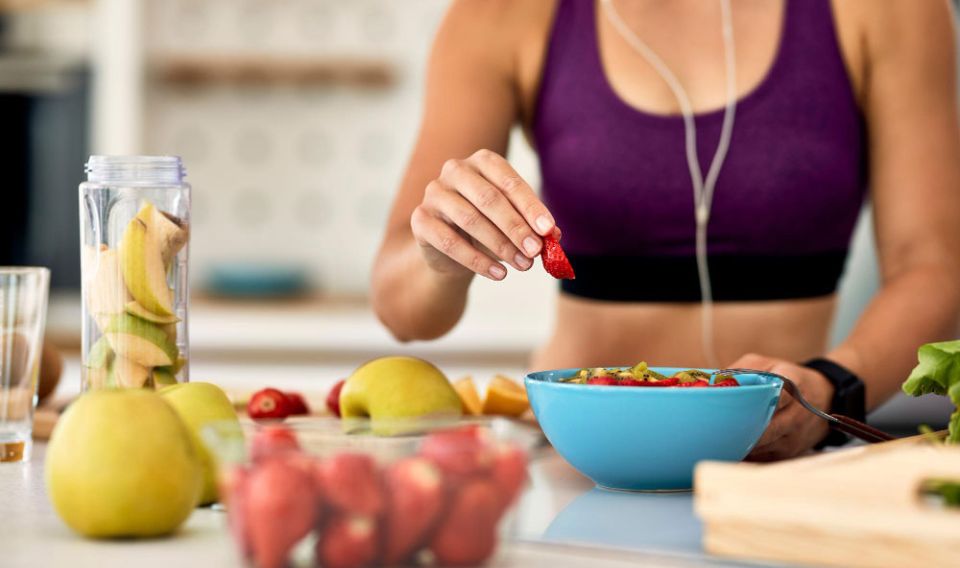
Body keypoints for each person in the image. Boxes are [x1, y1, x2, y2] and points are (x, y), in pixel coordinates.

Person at [371, 0, 960, 460]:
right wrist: (439, 255)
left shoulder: (887, 9)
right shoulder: (503, 14)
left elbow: (933, 267)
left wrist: (831, 388)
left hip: (782, 463)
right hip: (578, 464)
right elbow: (403, 310)